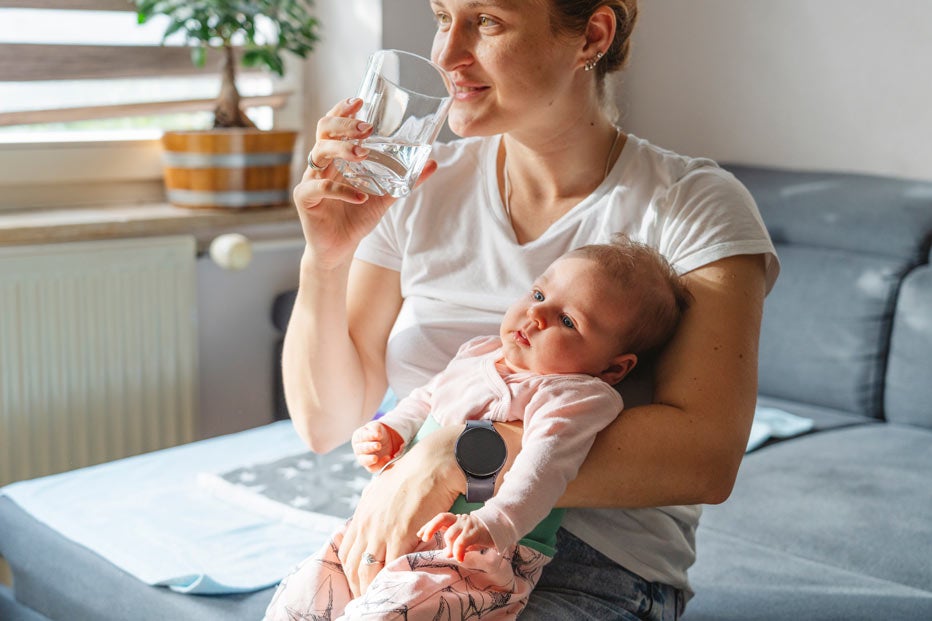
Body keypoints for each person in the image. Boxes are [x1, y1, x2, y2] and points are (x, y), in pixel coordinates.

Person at [280, 0, 780, 618]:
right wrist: (325, 259)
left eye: (486, 21)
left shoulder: (692, 205)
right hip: (404, 543)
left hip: (594, 569)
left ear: (591, 36)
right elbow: (326, 424)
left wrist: (456, 454)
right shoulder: (413, 184)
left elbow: (705, 457)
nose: (445, 55)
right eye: (442, 17)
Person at [265, 237, 691, 620]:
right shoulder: (478, 354)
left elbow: (544, 467)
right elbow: (427, 398)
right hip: (387, 525)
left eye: (567, 321)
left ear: (615, 367)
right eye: (539, 294)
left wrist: (497, 523)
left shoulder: (573, 395)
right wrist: (393, 430)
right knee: (300, 598)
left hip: (475, 554)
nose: (536, 314)